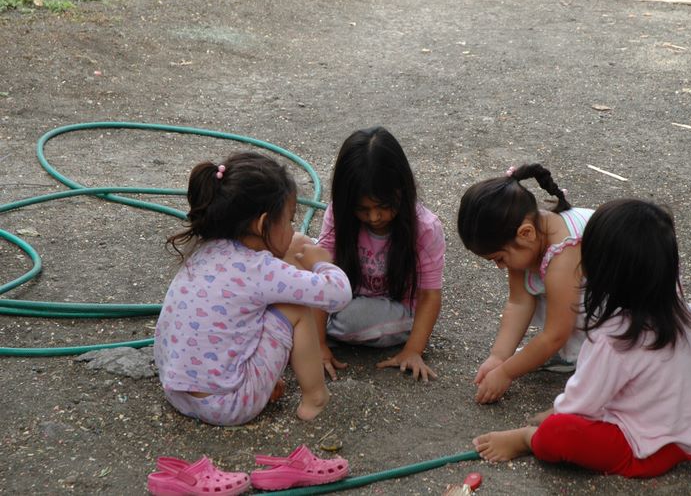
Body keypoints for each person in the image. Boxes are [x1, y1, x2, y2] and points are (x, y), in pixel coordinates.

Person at [473, 199, 691, 478]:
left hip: (640, 452)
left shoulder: (614, 338)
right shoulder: (688, 316)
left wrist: (549, 417)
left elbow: (578, 405)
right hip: (684, 442)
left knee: (555, 432)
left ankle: (525, 439)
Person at [154, 152, 352, 426]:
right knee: (294, 307)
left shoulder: (205, 250)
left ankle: (255, 382)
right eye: (289, 220)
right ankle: (315, 397)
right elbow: (338, 294)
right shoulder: (260, 269)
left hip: (177, 392)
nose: (292, 229)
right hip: (226, 405)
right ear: (262, 224)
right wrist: (321, 263)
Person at [313, 126, 445, 382]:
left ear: (402, 190)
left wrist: (413, 350)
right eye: (362, 209)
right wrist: (317, 345)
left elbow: (429, 295)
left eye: (383, 206)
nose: (374, 217)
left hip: (396, 309)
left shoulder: (425, 228)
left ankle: (309, 325)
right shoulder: (338, 214)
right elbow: (322, 276)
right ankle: (312, 326)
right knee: (295, 263)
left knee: (350, 319)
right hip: (346, 296)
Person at [457, 164, 593, 404]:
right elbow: (519, 302)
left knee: (561, 302)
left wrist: (507, 373)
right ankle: (576, 351)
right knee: (541, 289)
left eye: (499, 258)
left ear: (526, 233)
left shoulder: (564, 254)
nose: (500, 267)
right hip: (586, 295)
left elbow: (555, 334)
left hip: (631, 306)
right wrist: (498, 357)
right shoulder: (525, 235)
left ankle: (589, 355)